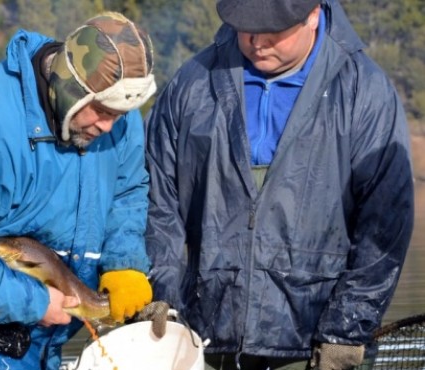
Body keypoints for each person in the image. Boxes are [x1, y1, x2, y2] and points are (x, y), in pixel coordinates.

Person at [144, 0, 414, 369]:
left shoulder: (366, 92)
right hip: (202, 340)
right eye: (246, 28)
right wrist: (162, 296)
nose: (257, 42)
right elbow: (158, 201)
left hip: (316, 346)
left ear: (313, 15)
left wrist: (345, 331)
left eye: (273, 31)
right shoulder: (191, 84)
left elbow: (384, 226)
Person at [0, 12, 157, 370]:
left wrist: (124, 264)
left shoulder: (117, 115)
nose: (109, 125)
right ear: (70, 85)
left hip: (48, 320)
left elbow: (127, 191)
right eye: (101, 110)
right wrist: (35, 304)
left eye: (121, 112)